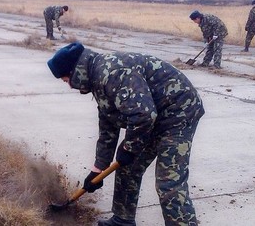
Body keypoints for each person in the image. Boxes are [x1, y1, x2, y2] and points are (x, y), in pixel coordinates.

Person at [47, 42, 205, 226]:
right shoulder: (97, 76)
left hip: (179, 113)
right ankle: (122, 220)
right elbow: (108, 124)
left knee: (168, 182)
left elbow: (143, 115)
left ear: (76, 71)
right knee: (127, 168)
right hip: (153, 116)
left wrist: (129, 148)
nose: (69, 86)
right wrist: (98, 169)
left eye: (67, 80)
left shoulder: (111, 73)